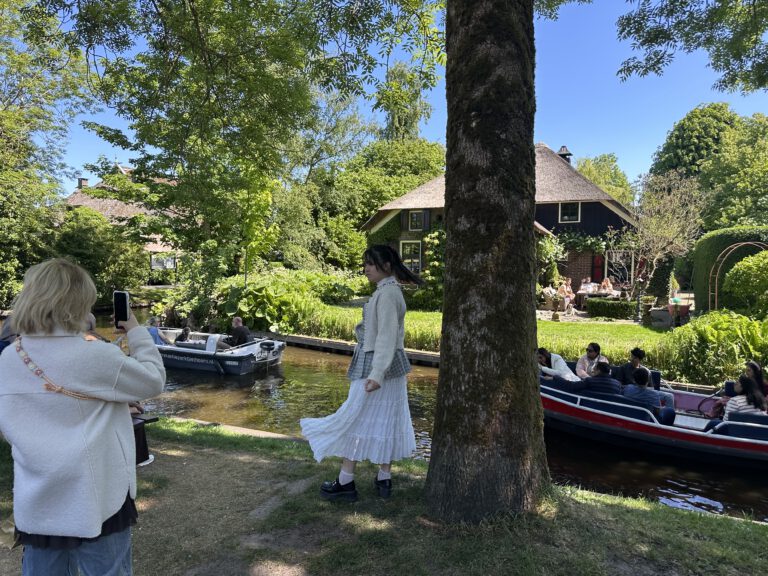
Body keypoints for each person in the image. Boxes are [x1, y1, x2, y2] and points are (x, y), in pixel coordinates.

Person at [0, 258, 165, 575]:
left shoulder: (10, 357)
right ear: (77, 304)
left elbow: (12, 424)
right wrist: (135, 330)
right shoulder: (94, 355)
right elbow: (153, 379)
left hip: (39, 497)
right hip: (96, 496)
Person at [300, 245, 423, 502]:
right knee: (386, 419)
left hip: (377, 365)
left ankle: (346, 482)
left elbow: (387, 337)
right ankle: (384, 479)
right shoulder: (388, 291)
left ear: (386, 266)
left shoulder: (388, 294)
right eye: (365, 263)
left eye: (370, 263)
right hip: (388, 365)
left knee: (355, 417)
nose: (365, 269)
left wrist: (377, 374)